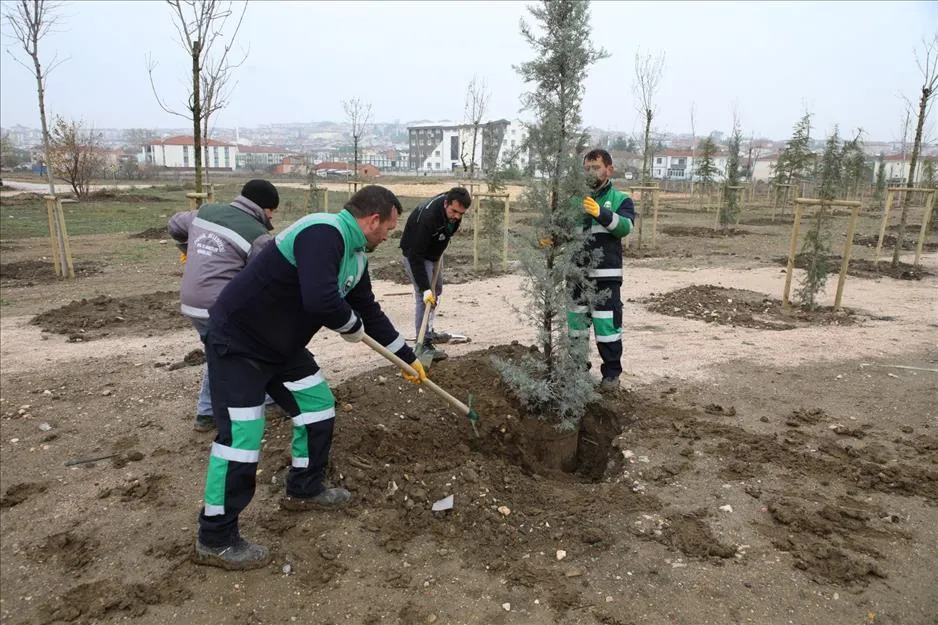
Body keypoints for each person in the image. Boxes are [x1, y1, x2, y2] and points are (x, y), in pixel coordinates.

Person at [194, 185, 428, 570]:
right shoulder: (322, 232)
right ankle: (215, 538)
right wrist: (350, 325)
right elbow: (319, 299)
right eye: (389, 227)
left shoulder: (355, 256)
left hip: (281, 349)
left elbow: (367, 310)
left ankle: (304, 488)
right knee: (242, 437)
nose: (389, 236)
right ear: (373, 220)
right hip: (239, 342)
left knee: (318, 406)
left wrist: (407, 358)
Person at [168, 180, 281, 432]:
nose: (272, 216)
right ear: (266, 208)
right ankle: (269, 401)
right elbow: (267, 279)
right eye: (272, 211)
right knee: (257, 349)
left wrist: (188, 248)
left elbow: (174, 224)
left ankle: (206, 413)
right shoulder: (257, 236)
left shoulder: (205, 213)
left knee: (217, 353)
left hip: (191, 302)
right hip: (221, 308)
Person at [569, 149, 635, 392]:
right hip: (576, 277)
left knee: (607, 329)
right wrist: (551, 239)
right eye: (586, 168)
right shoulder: (574, 202)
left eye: (596, 167)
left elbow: (625, 227)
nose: (590, 172)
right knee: (576, 328)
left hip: (606, 278)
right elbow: (565, 233)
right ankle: (577, 375)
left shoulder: (621, 199)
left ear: (609, 169)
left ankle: (611, 377)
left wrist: (600, 213)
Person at [398, 186, 472, 361]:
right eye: (454, 211)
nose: (457, 217)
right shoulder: (428, 218)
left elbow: (447, 233)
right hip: (416, 254)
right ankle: (422, 343)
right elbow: (415, 257)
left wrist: (438, 251)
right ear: (446, 203)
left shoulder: (453, 213)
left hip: (434, 252)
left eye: (461, 214)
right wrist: (425, 288)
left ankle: (429, 331)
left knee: (436, 290)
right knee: (424, 297)